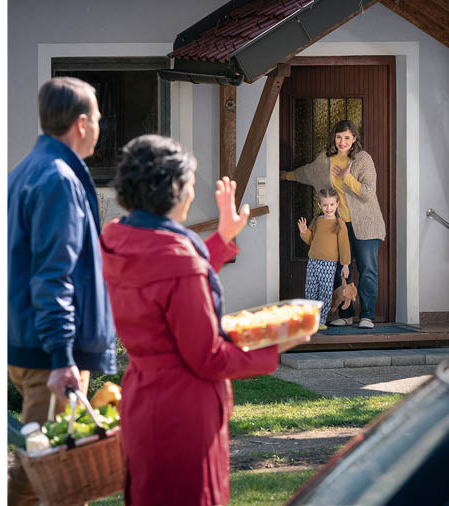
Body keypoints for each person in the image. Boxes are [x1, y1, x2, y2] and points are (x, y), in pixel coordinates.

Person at [100, 135, 311, 506]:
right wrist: (272, 347)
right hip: (184, 413)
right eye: (192, 186)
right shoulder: (178, 261)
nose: (193, 195)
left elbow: (161, 287)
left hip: (142, 402)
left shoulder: (120, 238)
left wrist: (222, 238)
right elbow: (207, 356)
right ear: (174, 190)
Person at [7, 76, 116, 505]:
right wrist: (61, 357)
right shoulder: (58, 179)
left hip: (30, 342)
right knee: (47, 482)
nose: (100, 128)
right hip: (48, 352)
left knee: (57, 479)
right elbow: (54, 275)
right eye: (99, 120)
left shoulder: (29, 169)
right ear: (83, 123)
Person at [280, 119, 385, 329]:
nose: (342, 141)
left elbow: (367, 193)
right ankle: (345, 314)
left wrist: (347, 178)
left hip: (366, 225)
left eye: (347, 137)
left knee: (367, 269)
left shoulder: (363, 160)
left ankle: (366, 315)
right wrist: (287, 176)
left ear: (354, 139)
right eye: (339, 137)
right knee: (338, 270)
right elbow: (309, 172)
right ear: (334, 138)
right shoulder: (326, 159)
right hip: (338, 225)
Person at [298, 188, 351, 330]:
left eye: (332, 204)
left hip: (328, 264)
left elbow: (344, 245)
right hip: (313, 262)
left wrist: (345, 264)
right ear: (320, 206)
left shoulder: (339, 224)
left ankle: (320, 320)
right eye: (325, 205)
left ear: (337, 204)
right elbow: (310, 240)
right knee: (310, 291)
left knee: (325, 292)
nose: (329, 208)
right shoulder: (317, 221)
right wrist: (304, 232)